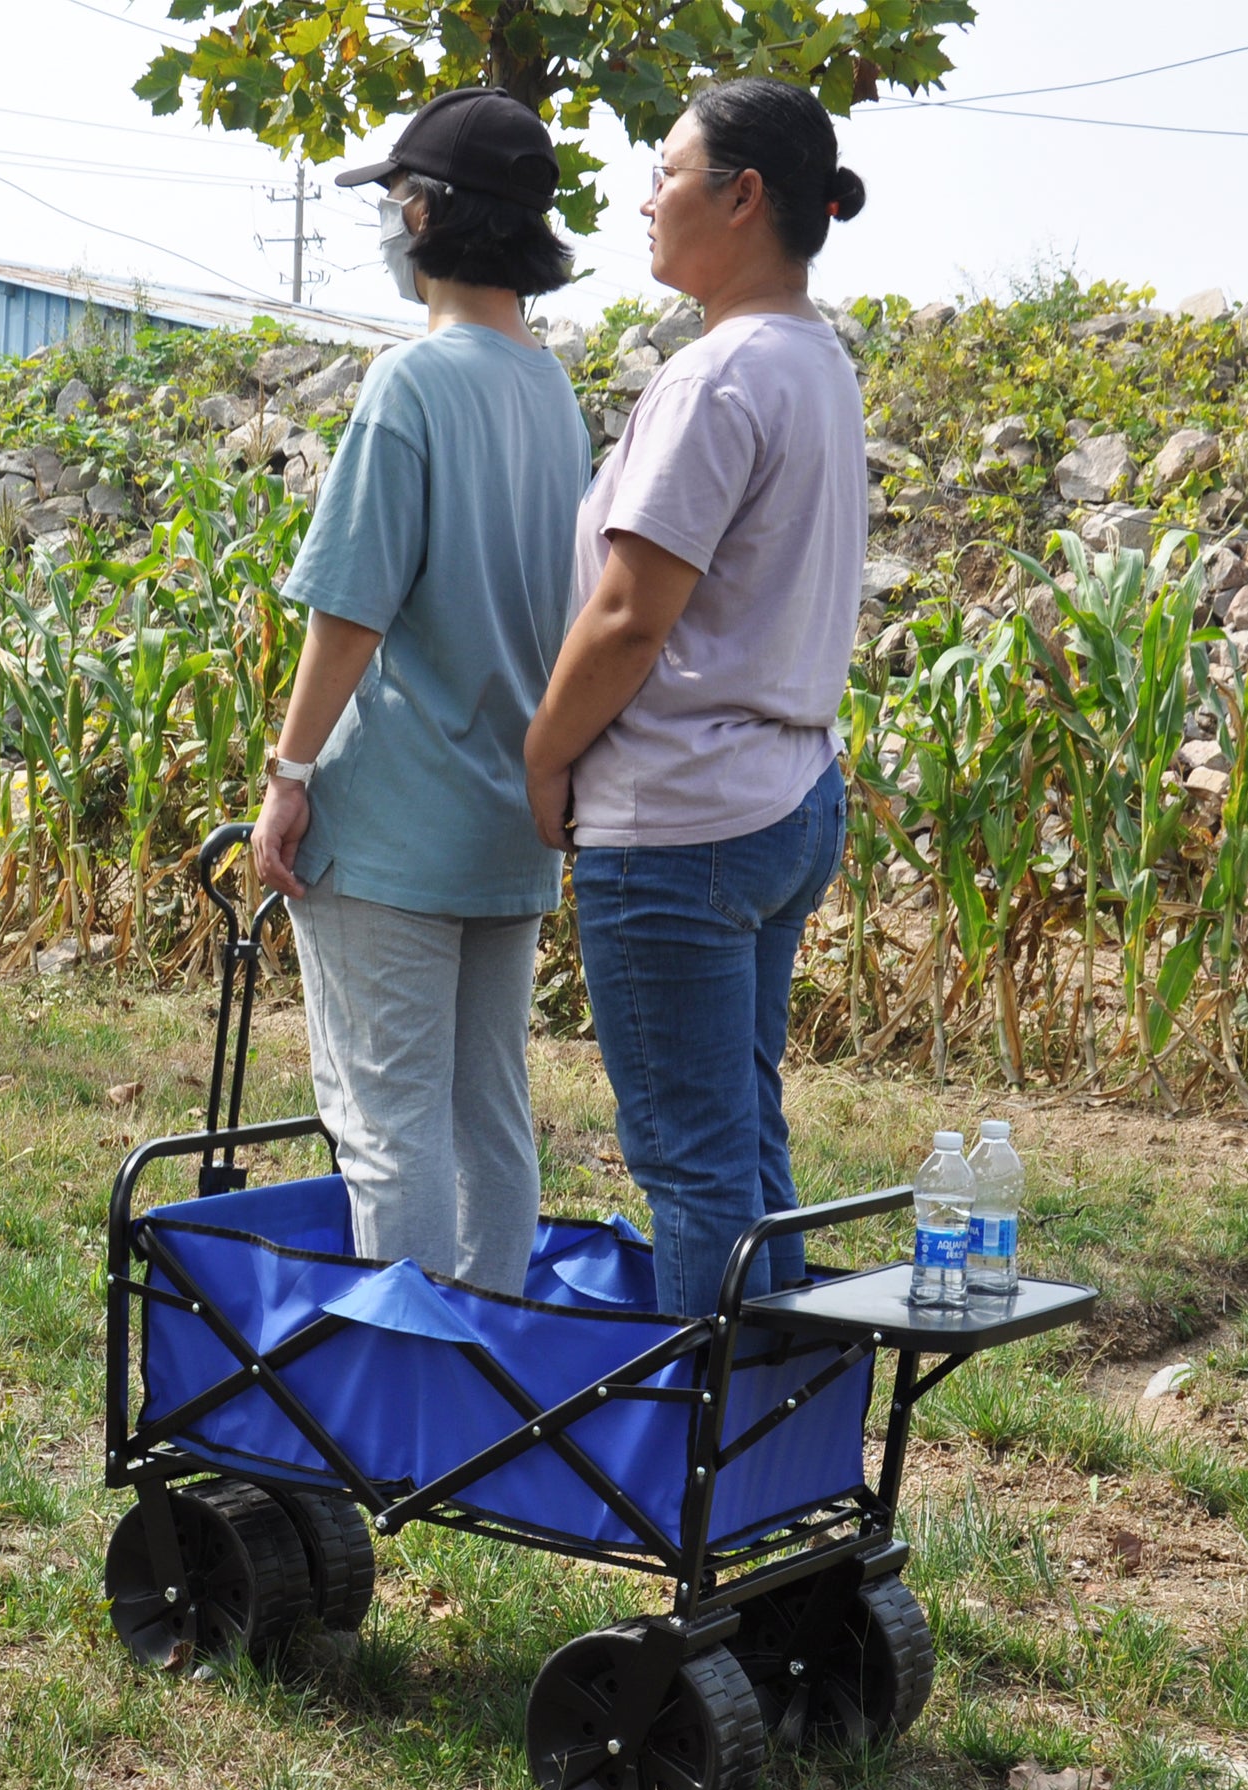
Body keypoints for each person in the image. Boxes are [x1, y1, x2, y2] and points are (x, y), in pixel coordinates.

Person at [523, 78, 867, 1318]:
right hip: (783, 796)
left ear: (742, 196)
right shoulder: (813, 362)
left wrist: (544, 756)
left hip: (675, 820)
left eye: (663, 172)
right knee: (744, 1139)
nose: (643, 199)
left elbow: (628, 613)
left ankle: (693, 1476)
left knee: (691, 1159)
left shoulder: (715, 375)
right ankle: (769, 1445)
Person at [250, 88, 592, 1298]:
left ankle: (403, 1403)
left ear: (419, 211)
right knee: (488, 1116)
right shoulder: (548, 390)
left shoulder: (411, 383)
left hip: (390, 820)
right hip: (507, 819)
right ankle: (490, 1380)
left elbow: (352, 605)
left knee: (386, 1121)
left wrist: (289, 778)